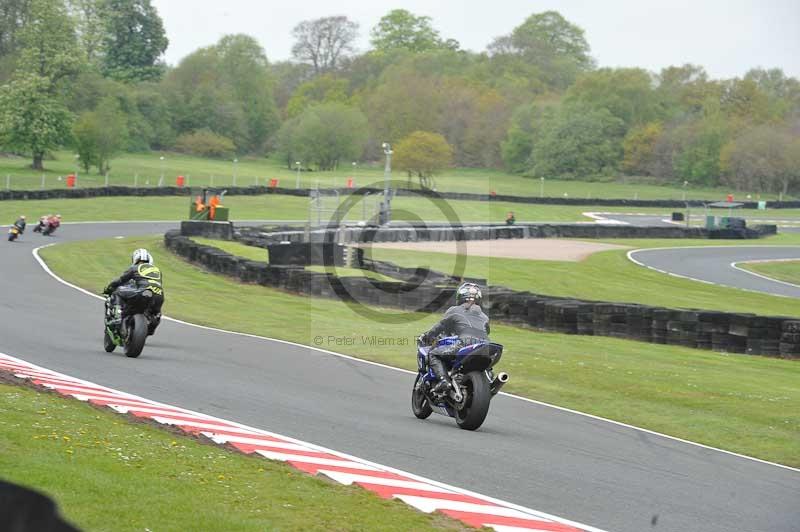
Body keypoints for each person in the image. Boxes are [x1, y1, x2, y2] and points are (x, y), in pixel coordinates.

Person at [419, 282, 490, 394]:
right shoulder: (485, 317)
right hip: (486, 348)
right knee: (488, 368)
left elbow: (440, 326)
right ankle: (488, 381)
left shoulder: (454, 310)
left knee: (434, 354)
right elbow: (487, 332)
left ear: (460, 296)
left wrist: (427, 336)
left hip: (465, 344)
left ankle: (444, 381)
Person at [103, 248, 164, 335]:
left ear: (135, 259)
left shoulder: (134, 268)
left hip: (142, 292)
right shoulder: (158, 271)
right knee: (156, 313)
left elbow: (120, 280)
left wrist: (109, 288)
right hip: (159, 296)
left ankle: (117, 316)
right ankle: (152, 326)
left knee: (117, 292)